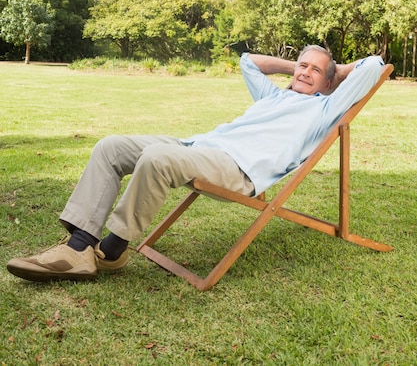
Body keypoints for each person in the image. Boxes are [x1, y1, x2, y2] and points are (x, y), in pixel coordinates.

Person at [7, 46, 384, 282]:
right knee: (111, 147)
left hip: (236, 169)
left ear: (328, 81)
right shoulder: (273, 95)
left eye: (314, 70)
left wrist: (333, 72)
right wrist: (297, 66)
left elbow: (372, 66)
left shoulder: (324, 108)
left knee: (156, 158)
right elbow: (248, 62)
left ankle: (109, 250)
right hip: (199, 146)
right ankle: (80, 244)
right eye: (302, 65)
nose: (304, 71)